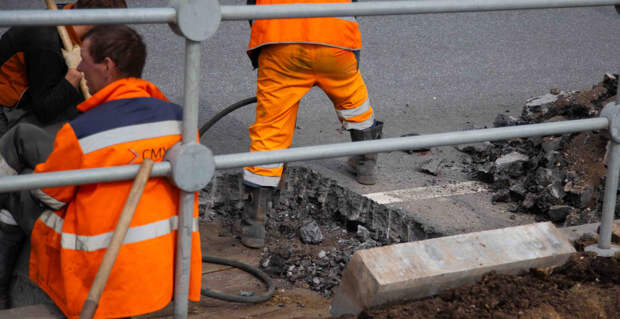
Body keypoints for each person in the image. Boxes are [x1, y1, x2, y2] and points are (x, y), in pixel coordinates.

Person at [0, 25, 202, 317]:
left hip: (96, 260)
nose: (79, 68)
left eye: (84, 59)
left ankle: (8, 292)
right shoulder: (181, 120)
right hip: (161, 267)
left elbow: (50, 197)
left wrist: (38, 172)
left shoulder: (84, 132)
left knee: (17, 189)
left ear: (107, 67)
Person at [241, 0, 384, 248]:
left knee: (271, 131)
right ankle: (366, 164)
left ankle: (255, 223)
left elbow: (252, 6)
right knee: (354, 100)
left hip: (280, 42)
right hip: (334, 39)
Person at [0, 0, 127, 136]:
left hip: (41, 86)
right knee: (79, 128)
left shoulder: (69, 13)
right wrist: (72, 78)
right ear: (96, 24)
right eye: (112, 31)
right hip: (8, 112)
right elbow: (44, 111)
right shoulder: (46, 42)